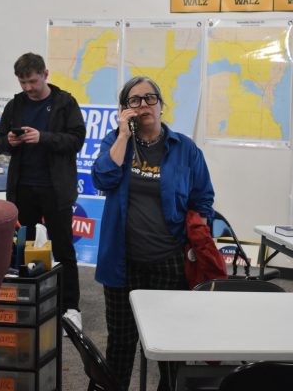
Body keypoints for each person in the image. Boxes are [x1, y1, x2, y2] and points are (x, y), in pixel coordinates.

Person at [92, 76, 215, 391]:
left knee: (171, 344)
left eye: (150, 98)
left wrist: (195, 236)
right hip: (122, 263)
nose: (143, 104)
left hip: (170, 262)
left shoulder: (185, 148)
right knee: (121, 342)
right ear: (125, 109)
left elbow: (203, 198)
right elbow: (103, 178)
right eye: (134, 100)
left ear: (161, 105)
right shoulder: (115, 142)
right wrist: (122, 135)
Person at [0, 52, 86, 329]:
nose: (28, 88)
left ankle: (71, 308)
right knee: (24, 250)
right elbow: (0, 142)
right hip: (23, 188)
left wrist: (43, 137)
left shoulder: (65, 102)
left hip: (55, 189)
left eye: (32, 81)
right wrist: (10, 141)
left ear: (45, 74)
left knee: (63, 249)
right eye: (23, 83)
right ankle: (28, 301)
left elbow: (76, 140)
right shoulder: (15, 105)